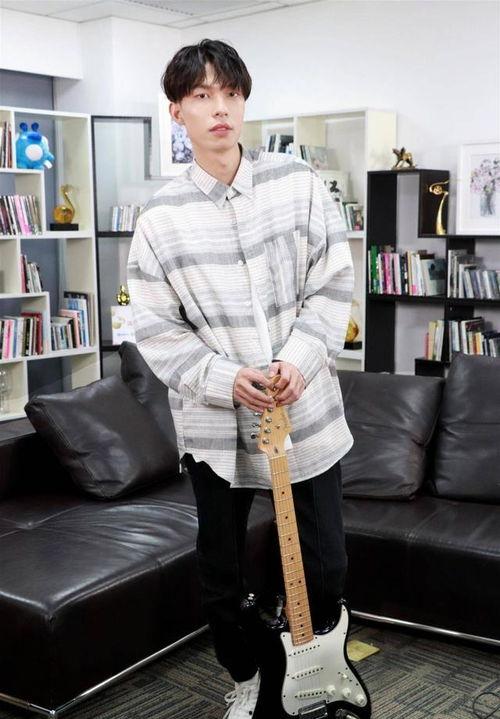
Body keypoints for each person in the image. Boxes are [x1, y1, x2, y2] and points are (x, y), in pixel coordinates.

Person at [127, 38, 355, 719]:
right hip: (216, 428)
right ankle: (248, 673)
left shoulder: (299, 184)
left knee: (325, 564)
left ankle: (309, 668)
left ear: (244, 102)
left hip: (304, 414)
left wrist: (299, 360)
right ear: (177, 111)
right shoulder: (159, 219)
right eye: (202, 96)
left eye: (230, 93)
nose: (219, 108)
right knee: (222, 576)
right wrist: (226, 378)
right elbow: (156, 329)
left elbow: (332, 284)